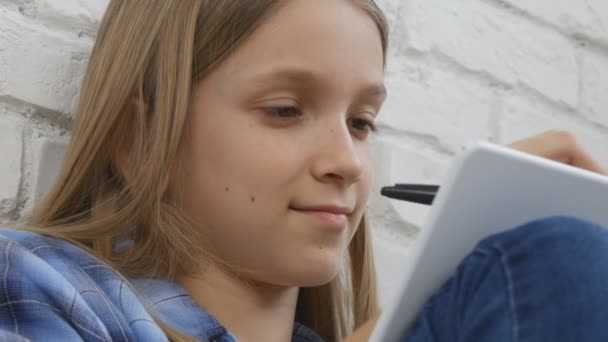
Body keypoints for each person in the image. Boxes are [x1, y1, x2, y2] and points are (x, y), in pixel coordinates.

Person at [0, 0, 607, 341]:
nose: (346, 162)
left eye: (363, 122)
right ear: (140, 141)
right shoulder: (38, 283)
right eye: (285, 110)